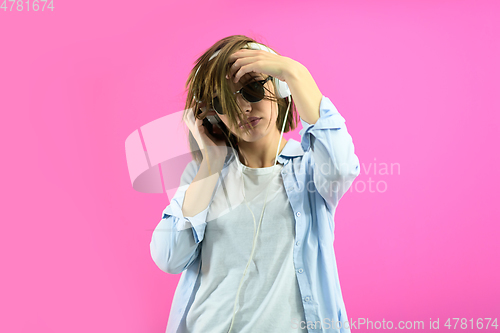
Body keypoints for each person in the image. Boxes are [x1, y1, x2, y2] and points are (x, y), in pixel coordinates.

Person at [150, 35, 361, 333]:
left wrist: (296, 72)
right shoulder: (203, 176)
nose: (242, 109)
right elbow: (169, 257)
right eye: (223, 101)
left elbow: (341, 165)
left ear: (281, 87)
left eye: (252, 88)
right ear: (211, 115)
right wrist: (211, 162)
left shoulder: (310, 170)